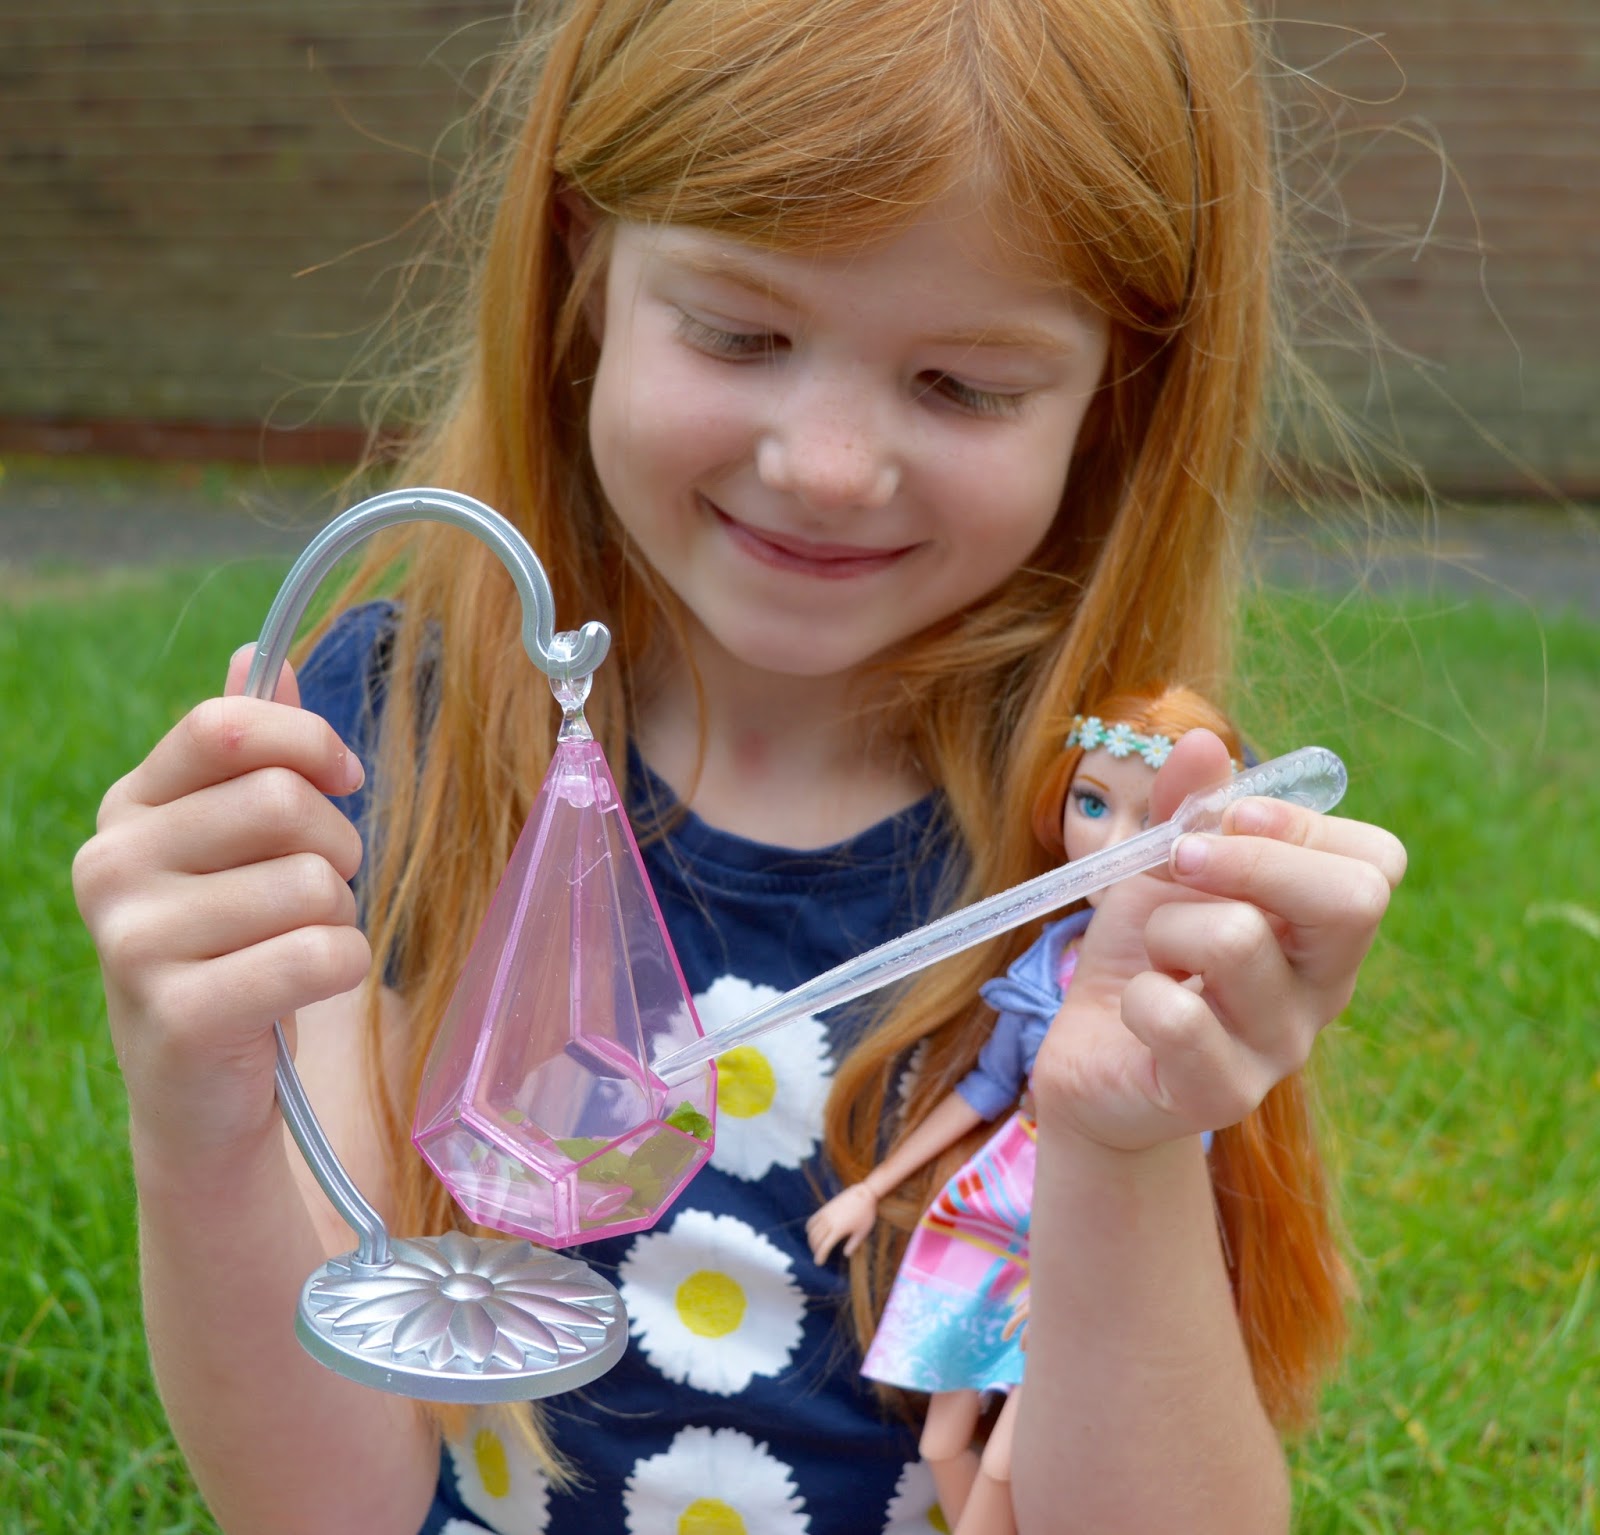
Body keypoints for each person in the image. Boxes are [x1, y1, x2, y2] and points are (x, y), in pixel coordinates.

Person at [71, 1, 1407, 1531]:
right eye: (741, 330)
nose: (827, 465)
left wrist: (1119, 1136)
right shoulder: (399, 740)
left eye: (964, 383)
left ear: (1121, 389)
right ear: (583, 263)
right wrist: (197, 1108)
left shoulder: (1100, 853)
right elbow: (326, 1502)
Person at [807, 687, 1346, 1535]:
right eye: (1091, 803)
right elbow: (986, 1087)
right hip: (995, 1205)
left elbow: (1185, 1135)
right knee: (947, 1435)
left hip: (1085, 1228)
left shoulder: (1179, 993)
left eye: (1156, 819)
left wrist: (1092, 1279)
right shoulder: (1043, 966)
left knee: (1007, 1455)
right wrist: (873, 1187)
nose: (1113, 843)